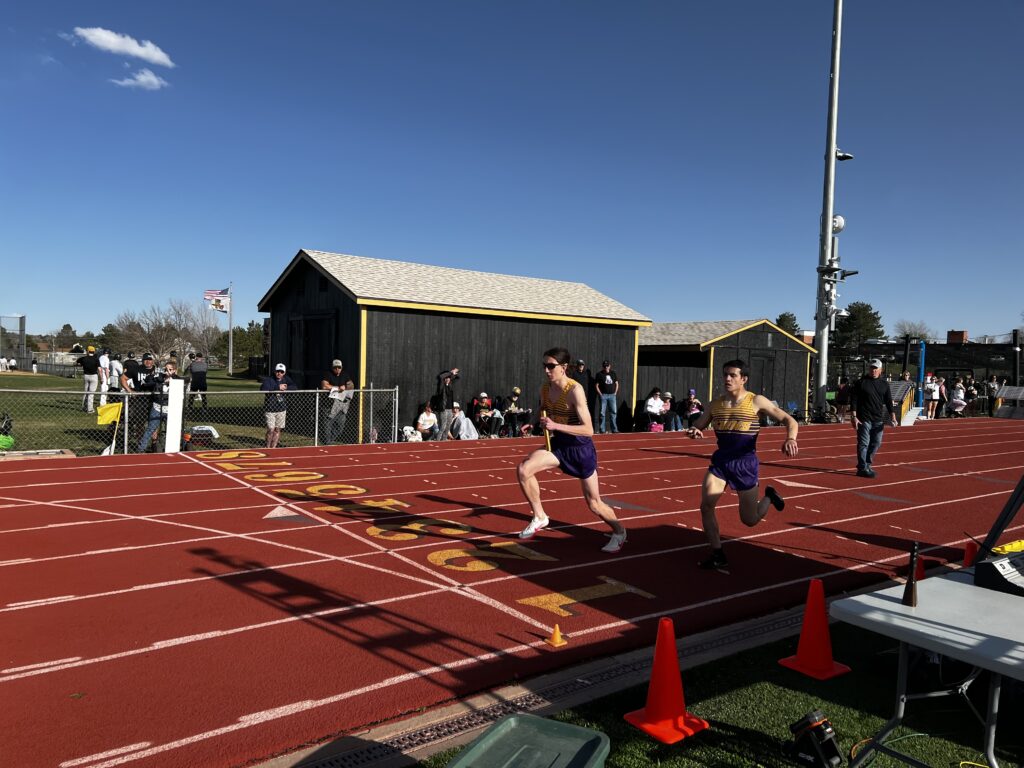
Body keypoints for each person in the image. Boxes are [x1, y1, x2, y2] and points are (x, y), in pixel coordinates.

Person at [685, 359, 797, 571]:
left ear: (743, 379)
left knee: (750, 520)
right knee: (706, 506)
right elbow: (698, 425)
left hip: (745, 465)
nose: (727, 379)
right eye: (725, 374)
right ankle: (718, 554)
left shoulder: (756, 401)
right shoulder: (715, 404)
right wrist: (694, 431)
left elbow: (790, 420)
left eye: (732, 375)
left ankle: (769, 496)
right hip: (721, 463)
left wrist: (791, 439)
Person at [517, 347, 627, 553]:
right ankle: (540, 516)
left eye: (551, 366)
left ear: (564, 367)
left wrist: (556, 426)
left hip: (580, 450)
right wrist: (532, 423)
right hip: (558, 445)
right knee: (524, 469)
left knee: (594, 504)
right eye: (544, 366)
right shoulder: (545, 387)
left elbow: (589, 430)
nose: (546, 370)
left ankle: (619, 531)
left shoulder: (574, 390)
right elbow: (543, 409)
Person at [850, 358, 898, 478]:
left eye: (875, 368)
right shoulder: (861, 383)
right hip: (863, 418)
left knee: (876, 443)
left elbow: (888, 401)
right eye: (871, 368)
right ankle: (862, 467)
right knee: (864, 443)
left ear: (880, 370)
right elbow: (854, 400)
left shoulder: (884, 384)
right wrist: (854, 416)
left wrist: (892, 415)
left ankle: (867, 464)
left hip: (878, 419)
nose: (873, 370)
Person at [138, 359, 182, 452]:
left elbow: (181, 390)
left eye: (169, 369)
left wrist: (171, 379)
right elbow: (147, 382)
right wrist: (159, 379)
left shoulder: (177, 380)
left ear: (174, 370)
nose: (166, 371)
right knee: (150, 428)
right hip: (157, 407)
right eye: (165, 369)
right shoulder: (159, 378)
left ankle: (177, 446)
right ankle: (141, 449)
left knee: (173, 430)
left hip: (170, 409)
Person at [261, 363, 296, 448]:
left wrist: (286, 388)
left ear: (284, 373)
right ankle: (268, 446)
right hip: (270, 409)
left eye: (281, 372)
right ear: (274, 371)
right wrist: (277, 387)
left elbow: (294, 387)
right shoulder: (269, 379)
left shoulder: (286, 379)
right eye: (277, 371)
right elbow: (263, 389)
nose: (279, 373)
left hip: (281, 409)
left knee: (277, 429)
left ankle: (274, 447)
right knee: (271, 429)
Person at [320, 359, 348, 443]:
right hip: (329, 406)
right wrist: (338, 388)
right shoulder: (328, 374)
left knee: (340, 426)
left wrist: (345, 387)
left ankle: (329, 441)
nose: (337, 369)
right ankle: (327, 443)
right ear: (332, 368)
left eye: (339, 367)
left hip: (339, 406)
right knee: (327, 426)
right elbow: (324, 386)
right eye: (335, 367)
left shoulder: (345, 375)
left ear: (341, 367)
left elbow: (351, 384)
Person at [595, 360, 619, 434]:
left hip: (612, 395)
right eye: (605, 366)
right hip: (604, 395)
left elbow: (617, 383)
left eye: (607, 365)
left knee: (613, 412)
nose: (606, 367)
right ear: (603, 366)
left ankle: (614, 429)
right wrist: (600, 394)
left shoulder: (613, 373)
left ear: (609, 366)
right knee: (602, 413)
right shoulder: (599, 374)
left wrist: (615, 392)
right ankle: (602, 429)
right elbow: (596, 385)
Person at [435, 368, 459, 440]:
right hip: (443, 409)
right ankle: (438, 440)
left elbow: (457, 377)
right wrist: (450, 372)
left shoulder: (449, 386)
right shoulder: (441, 387)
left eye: (449, 378)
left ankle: (444, 439)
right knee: (443, 426)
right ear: (444, 379)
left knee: (448, 426)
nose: (448, 379)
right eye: (446, 378)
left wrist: (452, 374)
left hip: (449, 409)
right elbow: (441, 377)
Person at [76, 345, 102, 413]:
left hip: (86, 376)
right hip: (94, 376)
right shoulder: (96, 359)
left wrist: (81, 365)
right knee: (91, 393)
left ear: (88, 351)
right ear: (94, 351)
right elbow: (99, 369)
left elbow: (77, 362)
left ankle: (84, 407)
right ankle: (90, 409)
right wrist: (101, 378)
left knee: (85, 392)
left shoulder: (83, 358)